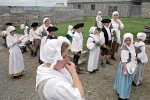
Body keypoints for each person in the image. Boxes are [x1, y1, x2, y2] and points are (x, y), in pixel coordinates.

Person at [114, 33, 136, 100]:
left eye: (129, 40)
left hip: (129, 66)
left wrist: (135, 61)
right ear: (124, 40)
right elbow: (124, 60)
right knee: (124, 82)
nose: (128, 42)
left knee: (125, 82)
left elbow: (133, 55)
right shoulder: (124, 48)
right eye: (126, 40)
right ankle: (122, 96)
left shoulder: (131, 46)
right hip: (125, 66)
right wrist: (124, 70)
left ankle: (121, 92)